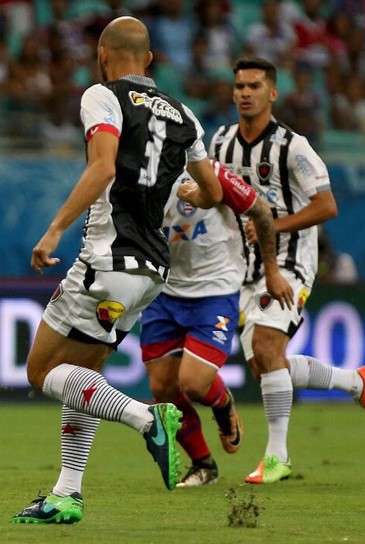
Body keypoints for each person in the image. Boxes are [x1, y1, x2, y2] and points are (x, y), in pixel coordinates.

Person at [10, 16, 224, 525]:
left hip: (107, 257)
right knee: (82, 376)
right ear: (149, 59)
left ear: (104, 54)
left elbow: (103, 167)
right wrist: (195, 194)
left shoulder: (102, 97)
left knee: (42, 371)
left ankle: (146, 418)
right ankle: (67, 494)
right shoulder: (185, 117)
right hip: (151, 271)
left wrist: (55, 229)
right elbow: (213, 192)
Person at [206, 55, 365, 485]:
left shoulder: (293, 146)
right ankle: (358, 384)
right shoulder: (222, 142)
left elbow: (327, 205)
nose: (245, 93)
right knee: (267, 365)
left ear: (273, 92)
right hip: (240, 264)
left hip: (289, 262)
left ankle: (278, 456)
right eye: (239, 86)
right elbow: (212, 193)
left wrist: (271, 224)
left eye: (254, 86)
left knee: (267, 348)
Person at [140, 162, 294, 488]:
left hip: (215, 290)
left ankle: (224, 407)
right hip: (163, 291)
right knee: (162, 390)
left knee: (194, 383)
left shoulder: (213, 174)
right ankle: (203, 465)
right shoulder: (140, 174)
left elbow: (261, 213)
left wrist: (271, 271)